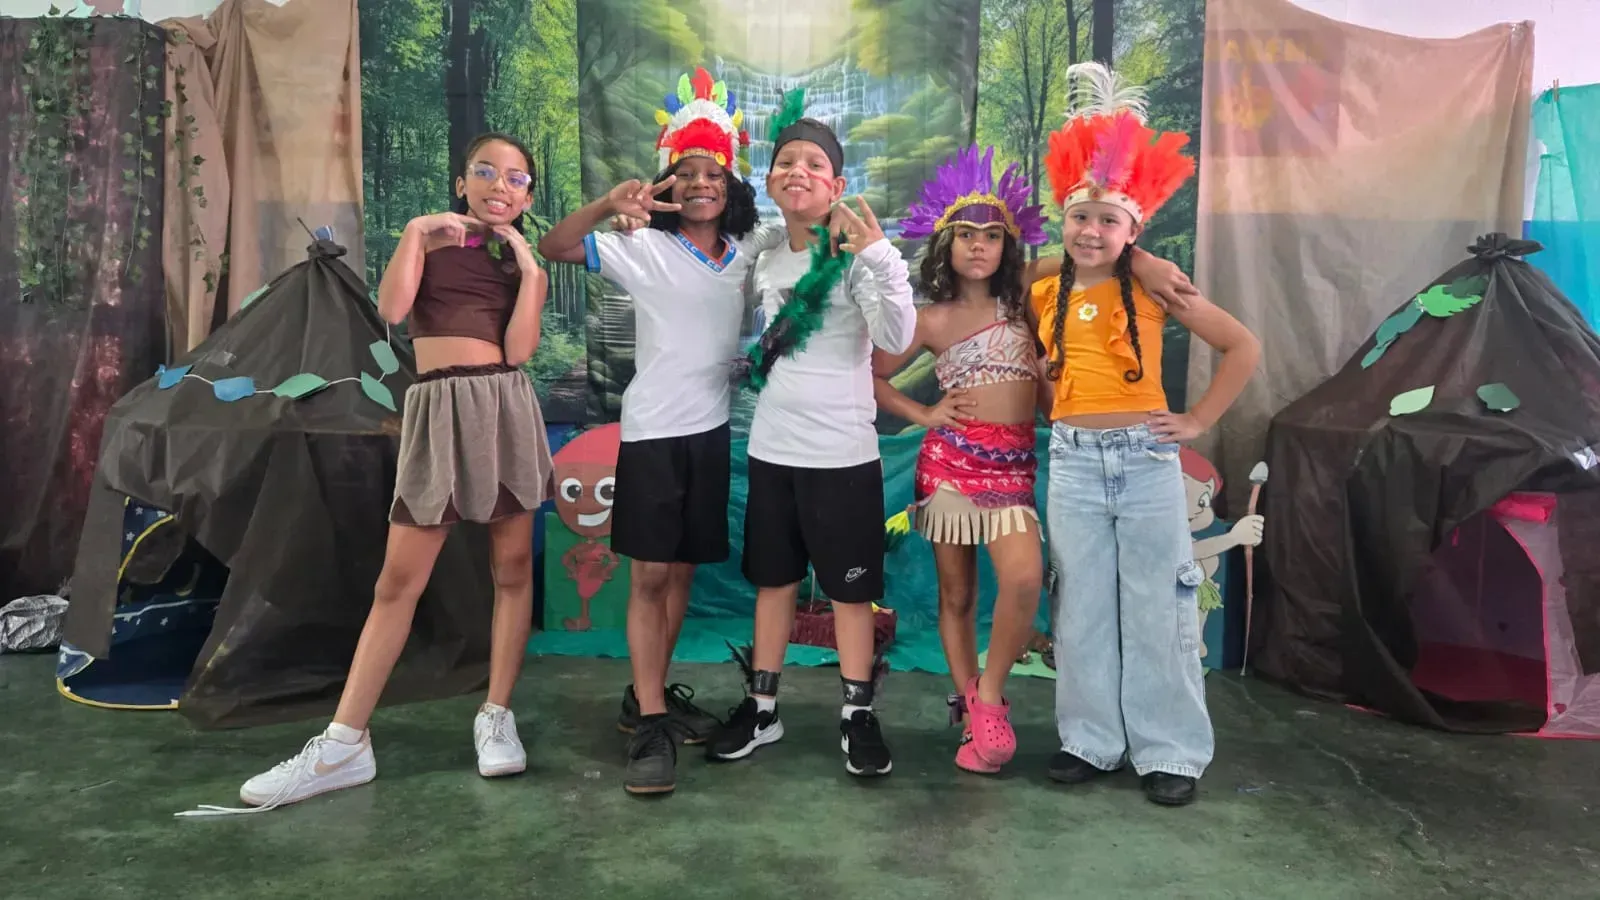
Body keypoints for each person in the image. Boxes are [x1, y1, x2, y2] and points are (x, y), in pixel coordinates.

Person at [182, 132, 556, 815]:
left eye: (516, 179)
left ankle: (496, 715)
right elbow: (391, 310)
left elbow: (520, 350)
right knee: (397, 583)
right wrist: (415, 232)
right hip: (437, 409)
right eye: (485, 171)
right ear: (461, 182)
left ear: (528, 196)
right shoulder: (430, 242)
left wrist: (531, 273)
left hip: (503, 407)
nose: (500, 186)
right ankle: (345, 743)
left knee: (512, 570)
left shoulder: (520, 264)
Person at [872, 145, 1198, 775]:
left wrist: (1147, 260)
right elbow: (876, 375)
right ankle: (971, 704)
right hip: (949, 465)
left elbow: (1088, 252)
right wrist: (924, 414)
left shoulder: (1026, 294)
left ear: (1008, 246)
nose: (978, 246)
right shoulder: (930, 320)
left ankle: (991, 692)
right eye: (965, 235)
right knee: (957, 594)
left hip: (1013, 466)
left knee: (1024, 579)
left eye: (992, 235)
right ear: (944, 244)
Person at [538, 66, 785, 796]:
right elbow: (554, 246)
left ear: (731, 183)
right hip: (651, 434)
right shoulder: (641, 246)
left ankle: (646, 696)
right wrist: (607, 205)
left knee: (680, 573)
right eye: (687, 172)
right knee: (648, 575)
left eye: (714, 173)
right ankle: (650, 721)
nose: (701, 184)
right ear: (667, 181)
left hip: (710, 433)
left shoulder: (750, 249)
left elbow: (809, 237)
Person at [1034, 63, 1260, 807]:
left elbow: (1242, 345)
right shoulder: (1043, 287)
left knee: (1159, 603)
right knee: (1082, 606)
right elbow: (1012, 273)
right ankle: (1090, 740)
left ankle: (1169, 750)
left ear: (1134, 231)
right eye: (1080, 216)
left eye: (1110, 220)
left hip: (1144, 461)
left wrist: (1197, 421)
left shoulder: (1153, 284)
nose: (1091, 230)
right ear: (1063, 221)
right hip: (1072, 464)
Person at [705, 90, 916, 777]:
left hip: (843, 457)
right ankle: (762, 709)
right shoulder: (765, 254)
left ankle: (857, 714)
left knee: (851, 593)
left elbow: (897, 336)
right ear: (771, 182)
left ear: (837, 186)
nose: (799, 170)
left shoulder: (855, 258)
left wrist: (881, 257)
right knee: (774, 584)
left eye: (814, 163)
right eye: (786, 161)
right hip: (772, 452)